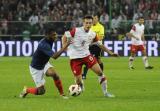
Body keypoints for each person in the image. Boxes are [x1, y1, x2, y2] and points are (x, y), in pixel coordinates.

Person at [62, 15, 119, 97]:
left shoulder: (92, 34)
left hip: (87, 56)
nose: (88, 25)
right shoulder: (76, 31)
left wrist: (110, 53)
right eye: (86, 23)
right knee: (78, 81)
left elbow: (100, 44)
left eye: (90, 23)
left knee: (100, 73)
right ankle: (81, 84)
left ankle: (106, 93)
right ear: (83, 23)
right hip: (75, 59)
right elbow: (64, 36)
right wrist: (64, 47)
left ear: (92, 23)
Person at [19, 26, 70, 99]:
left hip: (44, 63)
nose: (55, 36)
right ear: (47, 35)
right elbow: (55, 56)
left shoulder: (49, 40)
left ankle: (62, 94)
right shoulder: (43, 45)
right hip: (36, 68)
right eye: (53, 35)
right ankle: (26, 90)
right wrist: (65, 46)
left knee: (54, 74)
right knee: (41, 91)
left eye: (55, 34)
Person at [82, 14, 107, 79]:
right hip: (89, 45)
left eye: (95, 18)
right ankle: (84, 75)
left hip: (97, 45)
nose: (94, 20)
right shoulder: (89, 26)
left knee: (97, 59)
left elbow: (101, 37)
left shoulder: (101, 27)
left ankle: (101, 73)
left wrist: (93, 40)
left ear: (98, 19)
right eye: (93, 18)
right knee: (90, 58)